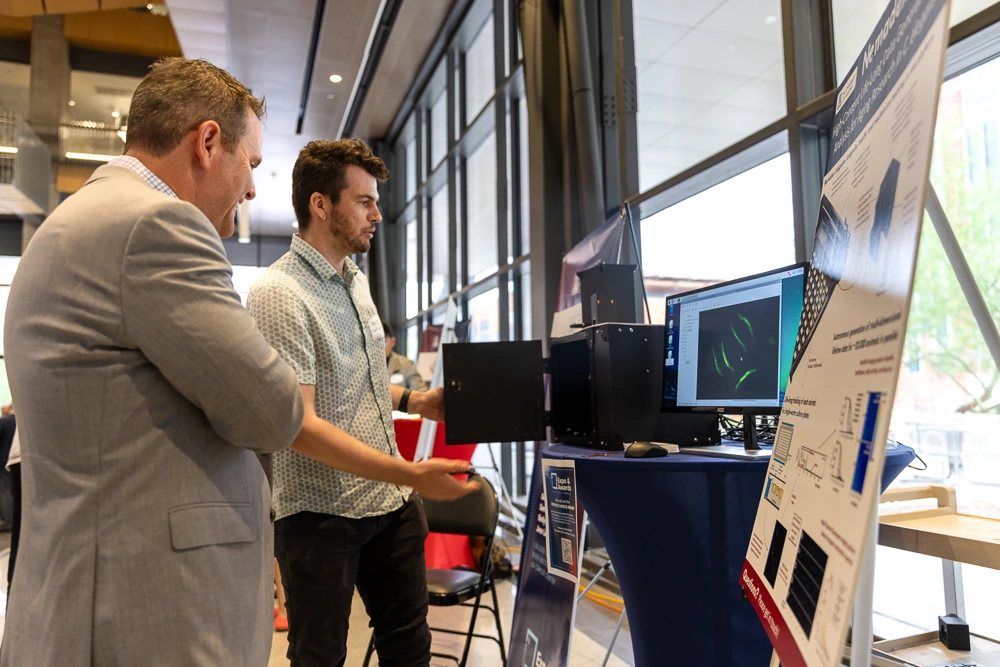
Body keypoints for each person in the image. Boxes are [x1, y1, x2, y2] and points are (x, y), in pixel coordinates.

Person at [0, 58, 309, 667]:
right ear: (208, 142)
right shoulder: (156, 225)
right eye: (250, 166)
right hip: (150, 615)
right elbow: (273, 409)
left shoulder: (72, 221)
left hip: (88, 600)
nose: (251, 190)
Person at [248, 139, 476, 667]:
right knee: (319, 655)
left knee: (410, 646)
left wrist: (418, 401)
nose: (377, 214)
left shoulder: (354, 280)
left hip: (389, 505)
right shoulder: (279, 294)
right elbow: (299, 425)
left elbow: (356, 380)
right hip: (320, 514)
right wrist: (411, 471)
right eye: (364, 201)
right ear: (320, 205)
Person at [384, 321, 429, 391]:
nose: (380, 347)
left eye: (384, 341)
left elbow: (421, 391)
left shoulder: (405, 364)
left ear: (393, 341)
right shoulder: (367, 366)